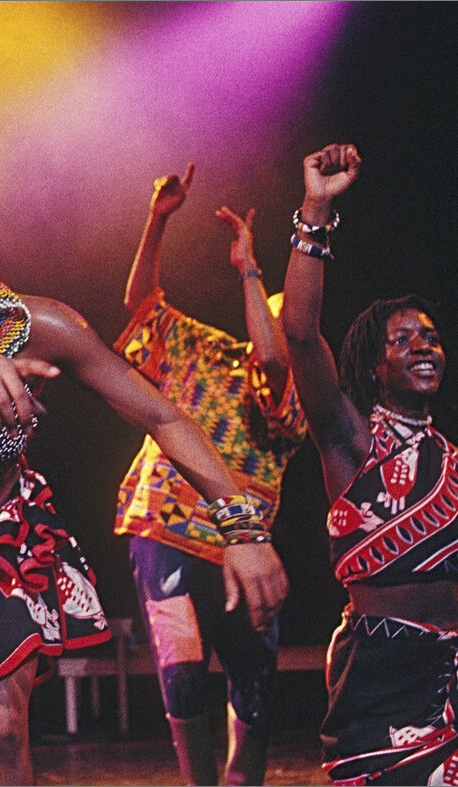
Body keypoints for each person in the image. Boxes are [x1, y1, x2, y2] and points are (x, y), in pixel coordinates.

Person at [0, 170, 290, 785]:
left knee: (2, 726)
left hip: (6, 535)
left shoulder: (42, 325)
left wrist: (242, 526)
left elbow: (159, 413)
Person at [113, 165, 307, 784]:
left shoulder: (297, 396)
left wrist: (250, 269)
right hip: (165, 525)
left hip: (242, 546)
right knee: (183, 668)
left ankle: (240, 778)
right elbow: (140, 303)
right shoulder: (204, 349)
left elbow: (275, 356)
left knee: (255, 680)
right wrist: (158, 218)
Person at [282, 143, 458, 785]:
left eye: (432, 337)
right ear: (374, 364)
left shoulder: (451, 461)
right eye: (404, 339)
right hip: (381, 672)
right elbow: (300, 335)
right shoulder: (352, 439)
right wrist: (316, 211)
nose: (424, 347)